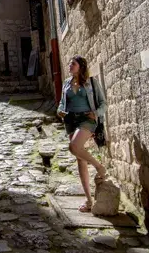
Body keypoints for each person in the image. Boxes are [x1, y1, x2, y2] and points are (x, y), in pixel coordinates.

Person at [57, 55, 108, 213]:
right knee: (80, 160)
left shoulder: (91, 82)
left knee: (74, 147)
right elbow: (62, 102)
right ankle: (88, 201)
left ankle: (100, 167)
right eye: (70, 63)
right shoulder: (66, 83)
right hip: (70, 121)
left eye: (73, 63)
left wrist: (97, 113)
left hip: (86, 119)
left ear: (80, 66)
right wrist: (60, 110)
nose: (70, 66)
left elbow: (103, 103)